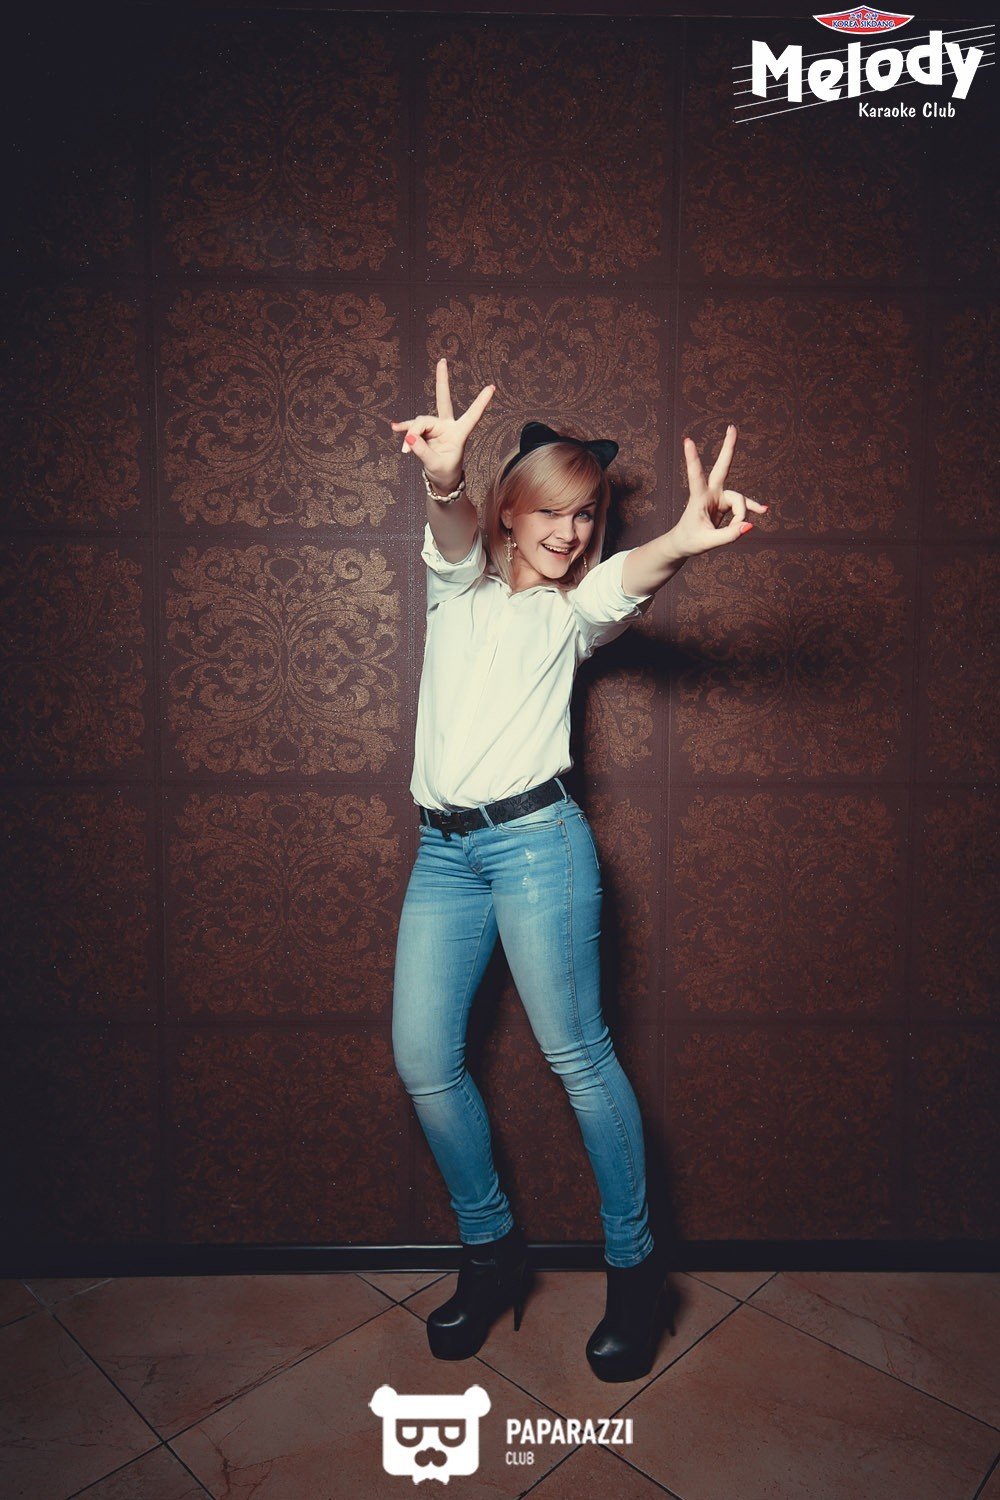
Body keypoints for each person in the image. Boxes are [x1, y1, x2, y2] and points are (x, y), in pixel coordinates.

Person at [389, 358, 766, 1382]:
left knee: (580, 1061)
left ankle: (636, 1273)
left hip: (536, 849)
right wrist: (443, 476)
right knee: (424, 1061)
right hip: (443, 856)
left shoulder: (575, 611)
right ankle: (491, 1255)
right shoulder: (456, 588)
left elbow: (630, 577)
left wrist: (681, 540)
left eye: (585, 513)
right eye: (550, 510)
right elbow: (449, 529)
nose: (569, 530)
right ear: (510, 513)